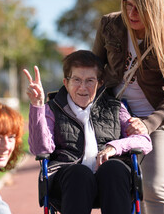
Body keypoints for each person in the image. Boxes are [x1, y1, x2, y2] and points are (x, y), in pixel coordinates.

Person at [92, 0, 164, 214]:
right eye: (128, 4)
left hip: (157, 121)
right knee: (122, 184)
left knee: (154, 187)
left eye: (140, 8)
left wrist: (147, 124)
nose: (131, 13)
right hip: (114, 117)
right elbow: (94, 69)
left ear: (154, 9)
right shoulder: (110, 25)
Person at [23, 50, 152, 214]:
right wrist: (37, 106)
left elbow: (144, 141)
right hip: (69, 183)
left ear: (100, 83)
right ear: (66, 82)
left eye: (90, 80)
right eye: (76, 79)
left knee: (114, 168)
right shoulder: (51, 108)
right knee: (79, 173)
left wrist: (114, 147)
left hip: (111, 182)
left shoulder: (115, 107)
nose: (83, 87)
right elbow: (40, 150)